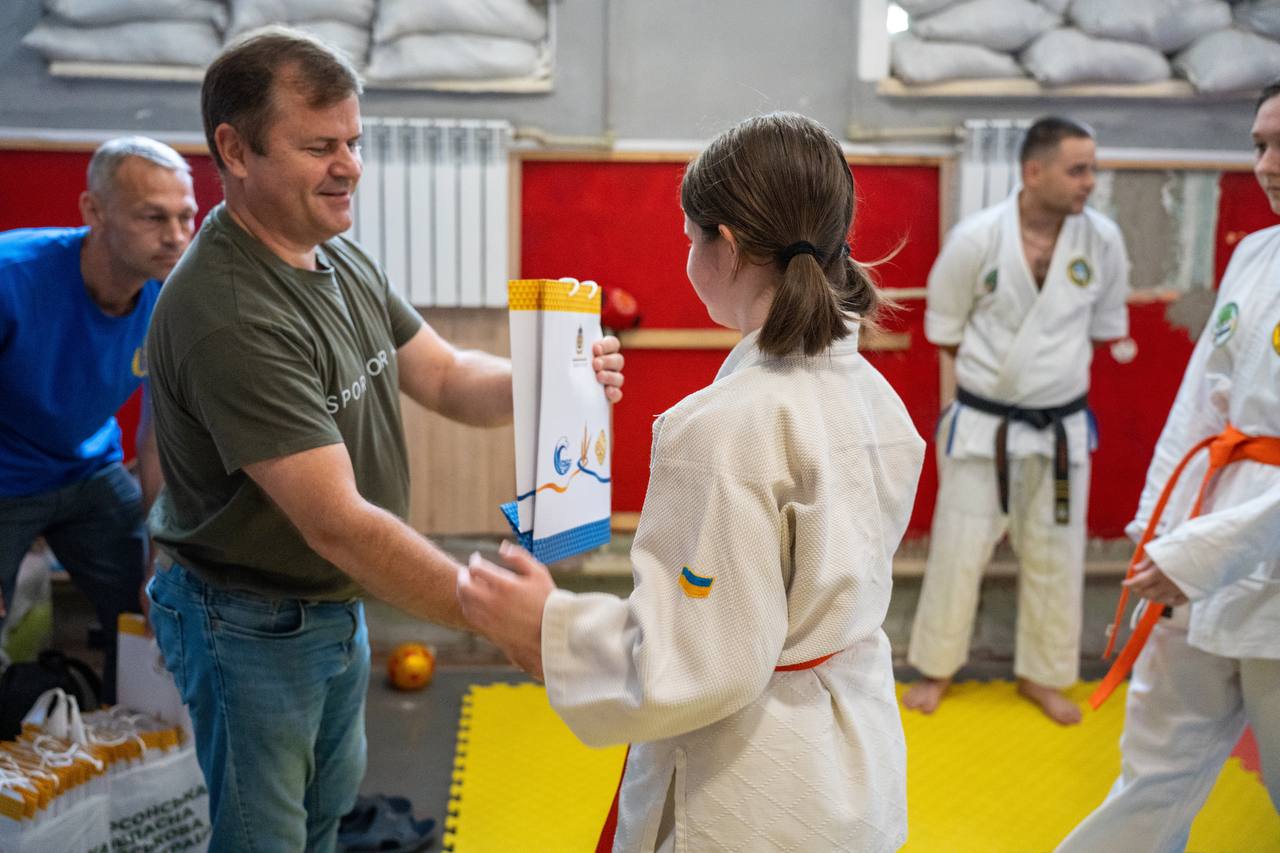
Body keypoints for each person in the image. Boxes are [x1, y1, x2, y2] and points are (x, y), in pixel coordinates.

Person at [143, 28, 623, 852]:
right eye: (320, 145)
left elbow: (442, 374)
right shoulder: (229, 310)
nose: (351, 166)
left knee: (324, 816)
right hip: (249, 622)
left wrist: (546, 383)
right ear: (236, 149)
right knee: (266, 839)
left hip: (330, 606)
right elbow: (337, 521)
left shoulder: (333, 253)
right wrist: (502, 618)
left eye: (354, 143)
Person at [458, 112, 924, 853]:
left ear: (727, 247)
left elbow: (698, 660)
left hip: (750, 789)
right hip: (850, 758)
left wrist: (548, 627)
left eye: (689, 237)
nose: (688, 256)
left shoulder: (722, 427)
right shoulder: (876, 399)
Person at [1055, 82, 1280, 853]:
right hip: (1200, 543)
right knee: (1153, 775)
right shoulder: (1256, 253)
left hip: (1264, 564)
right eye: (1258, 144)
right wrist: (1161, 525)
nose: (1268, 164)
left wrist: (1201, 552)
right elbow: (1199, 407)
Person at [903, 116, 1130, 725]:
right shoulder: (976, 239)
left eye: (1092, 168)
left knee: (1058, 553)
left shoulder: (1101, 241)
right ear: (1035, 171)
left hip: (1061, 430)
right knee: (958, 549)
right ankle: (936, 667)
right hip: (984, 426)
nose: (1090, 182)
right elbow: (945, 332)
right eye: (1077, 169)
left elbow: (1106, 327)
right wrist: (970, 405)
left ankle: (1044, 675)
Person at [0, 136, 196, 702]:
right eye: (153, 217)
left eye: (186, 216)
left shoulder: (175, 296)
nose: (177, 237)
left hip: (89, 470)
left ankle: (129, 748)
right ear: (93, 211)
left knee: (157, 599)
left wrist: (165, 550)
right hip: (5, 479)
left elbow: (159, 440)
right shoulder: (13, 278)